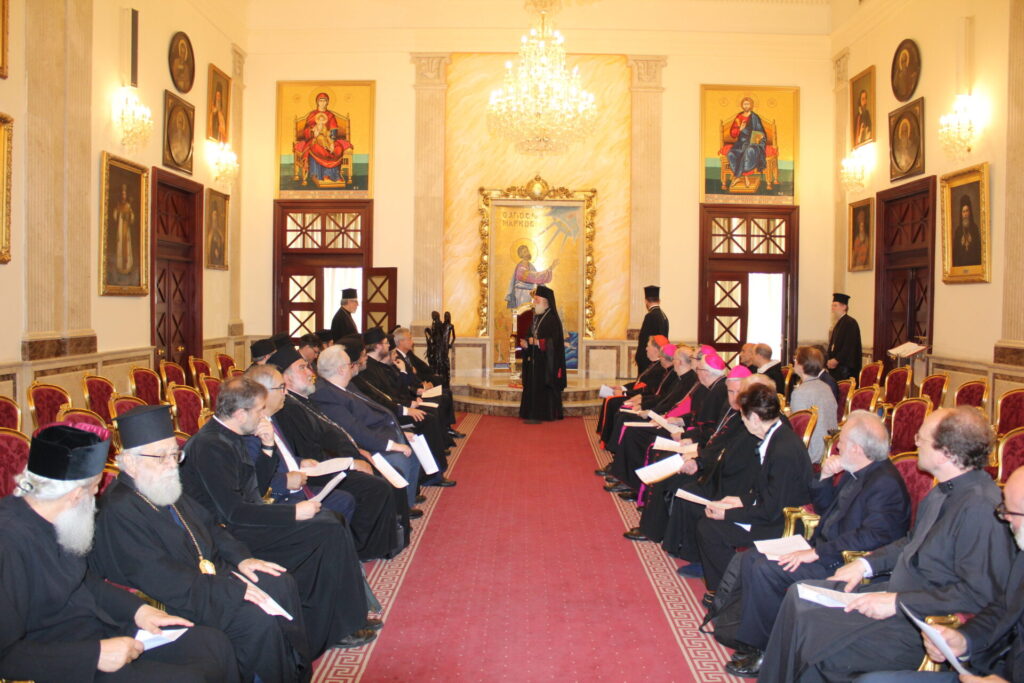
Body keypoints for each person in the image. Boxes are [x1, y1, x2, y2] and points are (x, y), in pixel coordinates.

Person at [758, 407, 1016, 683]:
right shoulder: (944, 491)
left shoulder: (980, 507)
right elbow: (911, 542)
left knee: (817, 642)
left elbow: (977, 595)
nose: (915, 443)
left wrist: (897, 602)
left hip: (921, 623)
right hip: (897, 594)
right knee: (800, 597)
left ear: (945, 453)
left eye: (921, 438)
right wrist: (864, 564)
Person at [0, 422, 238, 682]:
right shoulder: (8, 541)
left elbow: (83, 581)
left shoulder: (57, 517)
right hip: (65, 660)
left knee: (212, 644)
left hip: (100, 628)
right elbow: (6, 656)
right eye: (95, 488)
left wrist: (138, 610)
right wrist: (95, 655)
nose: (96, 496)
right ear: (75, 495)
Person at [91, 405, 311, 682]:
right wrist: (231, 589)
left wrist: (243, 558)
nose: (172, 464)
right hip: (175, 598)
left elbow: (210, 527)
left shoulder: (163, 484)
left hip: (209, 577)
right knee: (255, 621)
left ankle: (294, 671)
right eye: (161, 456)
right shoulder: (119, 509)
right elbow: (159, 577)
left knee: (279, 582)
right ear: (131, 464)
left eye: (175, 454)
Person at [180, 377, 378, 654]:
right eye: (259, 410)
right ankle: (333, 629)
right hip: (225, 533)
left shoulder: (231, 435)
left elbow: (257, 488)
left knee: (332, 522)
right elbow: (232, 512)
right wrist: (293, 513)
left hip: (247, 518)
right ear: (240, 414)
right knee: (326, 531)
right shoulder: (210, 446)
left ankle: (349, 617)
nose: (264, 415)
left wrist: (267, 447)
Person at [723, 411, 910, 677]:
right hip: (822, 548)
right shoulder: (857, 470)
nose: (838, 446)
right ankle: (756, 639)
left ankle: (764, 651)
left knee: (766, 570)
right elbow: (827, 511)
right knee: (752, 557)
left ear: (857, 449)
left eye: (842, 441)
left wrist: (815, 552)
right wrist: (824, 477)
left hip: (841, 560)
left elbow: (872, 537)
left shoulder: (885, 484)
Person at [858, 467, 1024, 683]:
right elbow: (1004, 608)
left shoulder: (979, 503)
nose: (1005, 518)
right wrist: (965, 639)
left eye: (1011, 512)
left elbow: (976, 592)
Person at [259, 346, 411, 550]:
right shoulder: (288, 410)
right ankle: (369, 547)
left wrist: (357, 451)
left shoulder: (304, 400)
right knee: (376, 486)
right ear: (287, 379)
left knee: (391, 472)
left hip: (338, 460)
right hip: (323, 469)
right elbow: (310, 452)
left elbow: (334, 433)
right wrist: (350, 463)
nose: (310, 372)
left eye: (308, 366)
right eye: (302, 368)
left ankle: (395, 532)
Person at [693, 383, 813, 599]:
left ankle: (731, 593)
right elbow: (766, 492)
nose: (742, 421)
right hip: (773, 511)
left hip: (784, 523)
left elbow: (771, 510)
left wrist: (728, 514)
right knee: (709, 522)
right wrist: (739, 500)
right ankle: (728, 588)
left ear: (755, 418)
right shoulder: (776, 437)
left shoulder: (783, 451)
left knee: (710, 529)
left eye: (743, 417)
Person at [637, 368, 759, 549]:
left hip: (720, 471)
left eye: (739, 392)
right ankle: (656, 528)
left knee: (675, 478)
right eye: (730, 391)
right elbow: (715, 436)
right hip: (708, 457)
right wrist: (695, 447)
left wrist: (699, 459)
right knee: (667, 463)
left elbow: (727, 451)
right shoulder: (730, 407)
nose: (734, 398)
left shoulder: (750, 417)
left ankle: (662, 534)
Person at [519, 285, 566, 424]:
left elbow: (555, 342)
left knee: (543, 386)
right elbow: (529, 335)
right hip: (535, 360)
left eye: (537, 301)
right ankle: (531, 412)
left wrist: (539, 342)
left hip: (547, 363)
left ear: (546, 302)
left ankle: (545, 414)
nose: (534, 303)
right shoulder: (536, 318)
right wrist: (526, 343)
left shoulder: (552, 319)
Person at [790, 346, 839, 463]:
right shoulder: (825, 386)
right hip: (829, 447)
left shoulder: (800, 392)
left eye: (796, 360)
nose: (794, 363)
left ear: (802, 365)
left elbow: (798, 430)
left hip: (812, 452)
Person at [294, 92, 353, 185]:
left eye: (324, 101)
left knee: (338, 148)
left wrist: (332, 142)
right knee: (318, 148)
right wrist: (313, 132)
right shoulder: (312, 115)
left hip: (328, 139)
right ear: (317, 102)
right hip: (314, 139)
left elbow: (334, 130)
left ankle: (334, 175)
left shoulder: (330, 115)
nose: (322, 103)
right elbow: (306, 130)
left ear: (327, 102)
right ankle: (321, 174)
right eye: (320, 101)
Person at [726, 96, 768, 190]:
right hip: (740, 143)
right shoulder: (739, 117)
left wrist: (753, 138)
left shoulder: (755, 117)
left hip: (753, 143)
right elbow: (732, 133)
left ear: (751, 105)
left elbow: (760, 132)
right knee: (731, 153)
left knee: (748, 151)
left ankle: (738, 177)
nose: (746, 106)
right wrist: (739, 129)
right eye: (744, 104)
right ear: (742, 105)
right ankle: (743, 177)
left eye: (748, 104)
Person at [505, 244, 556, 310]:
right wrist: (550, 268)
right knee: (523, 313)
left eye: (527, 251)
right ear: (521, 255)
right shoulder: (520, 268)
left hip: (531, 294)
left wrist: (545, 289)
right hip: (522, 294)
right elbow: (534, 277)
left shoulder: (531, 266)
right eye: (524, 252)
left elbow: (537, 277)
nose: (527, 253)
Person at [827, 292, 863, 382]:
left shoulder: (850, 323)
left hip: (846, 369)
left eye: (835, 305)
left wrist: (836, 360)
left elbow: (849, 346)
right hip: (837, 368)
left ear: (844, 307)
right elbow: (832, 345)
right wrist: (828, 359)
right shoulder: (839, 323)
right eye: (832, 306)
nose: (832, 309)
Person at [636, 285, 669, 374]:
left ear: (646, 301)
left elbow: (644, 339)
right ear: (659, 301)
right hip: (660, 358)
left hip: (648, 359)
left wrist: (639, 357)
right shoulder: (664, 316)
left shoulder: (650, 316)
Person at [952, 194, 982, 268]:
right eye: (963, 212)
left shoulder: (975, 229)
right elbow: (955, 254)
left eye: (967, 211)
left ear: (970, 212)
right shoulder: (958, 231)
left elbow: (978, 252)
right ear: (961, 214)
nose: (965, 214)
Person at [112, 184, 135, 278]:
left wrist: (128, 216)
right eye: (122, 194)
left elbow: (132, 218)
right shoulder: (118, 206)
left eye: (125, 194)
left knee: (126, 245)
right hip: (120, 229)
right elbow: (114, 216)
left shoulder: (128, 206)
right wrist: (118, 215)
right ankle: (120, 266)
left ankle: (127, 265)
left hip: (126, 229)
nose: (123, 196)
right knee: (120, 244)